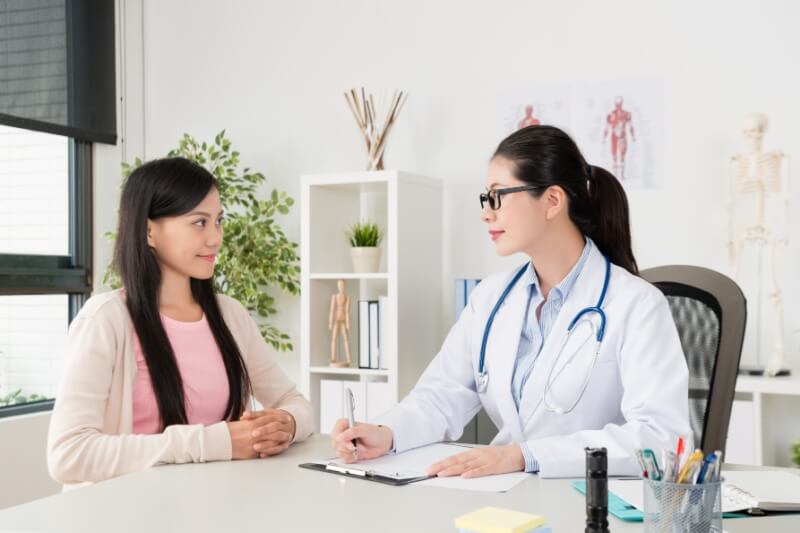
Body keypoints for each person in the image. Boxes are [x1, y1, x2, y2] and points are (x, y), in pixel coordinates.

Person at [331, 125, 689, 478]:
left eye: (498, 196)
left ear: (552, 201)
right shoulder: (491, 297)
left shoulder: (636, 304)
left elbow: (660, 438)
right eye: (486, 199)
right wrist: (386, 433)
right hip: (505, 495)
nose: (487, 212)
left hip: (593, 501)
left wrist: (525, 456)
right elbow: (441, 395)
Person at [48, 157, 312, 485]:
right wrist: (216, 442)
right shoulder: (105, 320)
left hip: (221, 507)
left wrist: (287, 423)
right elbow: (69, 455)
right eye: (199, 222)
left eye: (219, 221)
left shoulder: (230, 315)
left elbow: (296, 403)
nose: (215, 238)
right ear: (149, 231)